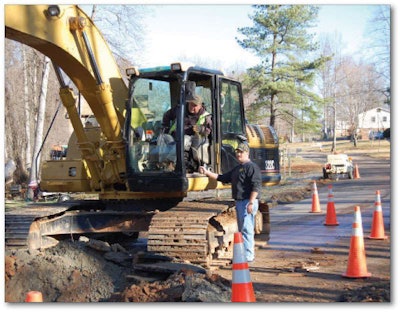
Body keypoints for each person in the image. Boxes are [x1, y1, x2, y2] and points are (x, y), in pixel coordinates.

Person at [199, 142, 262, 262]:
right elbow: (222, 178)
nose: (238, 154)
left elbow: (256, 186)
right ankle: (245, 254)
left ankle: (249, 256)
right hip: (239, 202)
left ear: (247, 153)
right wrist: (207, 172)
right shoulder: (238, 169)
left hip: (247, 202)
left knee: (247, 229)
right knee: (243, 229)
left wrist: (251, 202)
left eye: (241, 152)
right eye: (237, 152)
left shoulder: (252, 167)